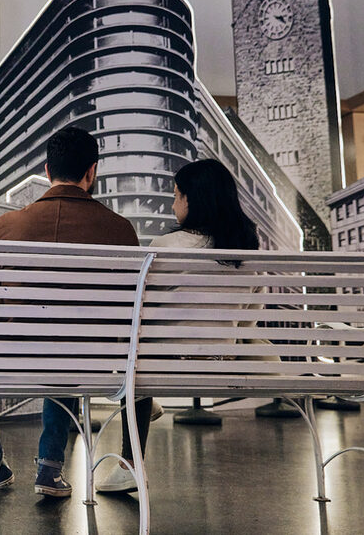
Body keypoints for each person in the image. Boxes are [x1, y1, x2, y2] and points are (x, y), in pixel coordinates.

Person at [0, 126, 139, 497]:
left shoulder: (7, 225)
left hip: (6, 355)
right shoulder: (121, 230)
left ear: (46, 170)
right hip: (86, 360)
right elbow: (129, 305)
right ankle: (50, 468)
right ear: (92, 173)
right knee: (67, 351)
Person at [95, 157, 260, 494]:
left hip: (163, 365)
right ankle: (147, 405)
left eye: (176, 196)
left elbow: (142, 313)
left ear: (192, 200)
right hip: (223, 364)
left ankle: (130, 463)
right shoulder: (249, 251)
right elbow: (248, 321)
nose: (173, 204)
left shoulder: (165, 247)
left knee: (131, 356)